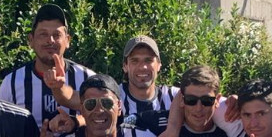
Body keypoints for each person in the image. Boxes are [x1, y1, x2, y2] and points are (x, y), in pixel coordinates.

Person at [35, 74, 163, 137]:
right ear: (81, 109)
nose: (99, 110)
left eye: (106, 103)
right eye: (90, 104)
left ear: (119, 107)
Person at [0, 3, 95, 128]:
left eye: (57, 35)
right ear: (31, 40)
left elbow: (101, 115)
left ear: (67, 40)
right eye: (43, 34)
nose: (50, 41)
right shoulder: (12, 83)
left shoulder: (87, 78)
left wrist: (75, 121)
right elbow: (1, 127)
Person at [46, 34, 177, 117]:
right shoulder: (113, 96)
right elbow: (71, 98)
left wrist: (173, 130)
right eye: (135, 61)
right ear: (125, 66)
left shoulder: (174, 97)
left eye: (148, 60)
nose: (142, 67)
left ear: (159, 65)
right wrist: (58, 87)